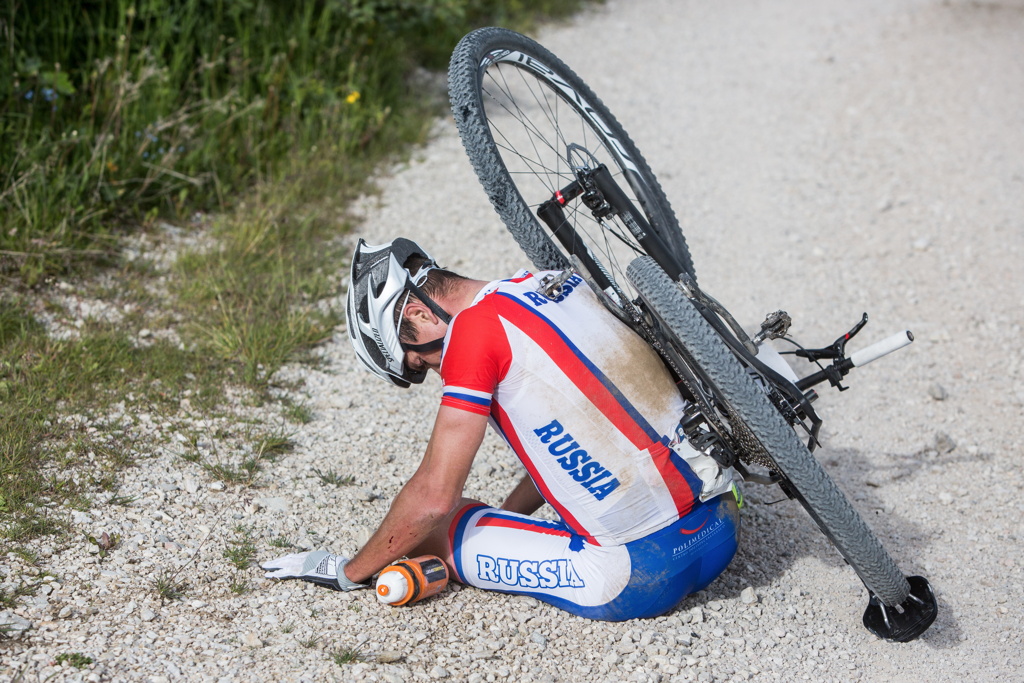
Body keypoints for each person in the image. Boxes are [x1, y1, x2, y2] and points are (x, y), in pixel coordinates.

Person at [262, 237, 740, 620]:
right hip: (721, 523)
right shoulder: (546, 283)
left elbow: (432, 500)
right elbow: (580, 435)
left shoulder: (473, 335)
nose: (433, 370)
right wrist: (518, 520)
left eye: (419, 359)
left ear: (419, 313)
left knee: (442, 527)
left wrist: (347, 572)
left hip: (638, 577)